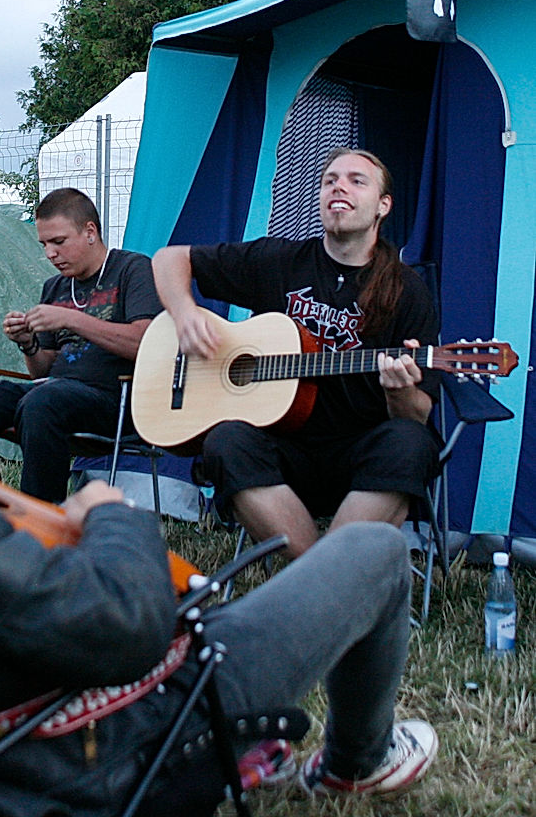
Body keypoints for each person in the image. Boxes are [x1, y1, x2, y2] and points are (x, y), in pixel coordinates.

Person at [0, 219, 438, 817]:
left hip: (8, 759)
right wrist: (114, 514)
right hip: (123, 749)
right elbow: (127, 628)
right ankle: (355, 762)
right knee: (374, 554)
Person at [152, 147, 442, 558]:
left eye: (356, 181)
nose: (339, 186)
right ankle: (316, 575)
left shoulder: (407, 292)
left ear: (383, 206)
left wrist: (399, 391)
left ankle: (323, 576)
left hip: (360, 453)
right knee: (225, 439)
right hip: (281, 450)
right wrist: (183, 313)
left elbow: (415, 415)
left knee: (411, 442)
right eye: (330, 180)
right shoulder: (280, 261)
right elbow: (169, 259)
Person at [0, 188, 162, 502]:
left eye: (58, 242)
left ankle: (41, 523)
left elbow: (146, 344)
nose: (50, 254)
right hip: (54, 392)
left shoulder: (133, 270)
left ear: (90, 232)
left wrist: (71, 319)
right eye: (44, 244)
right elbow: (42, 371)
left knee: (43, 401)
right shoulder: (55, 286)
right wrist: (28, 343)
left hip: (117, 401)